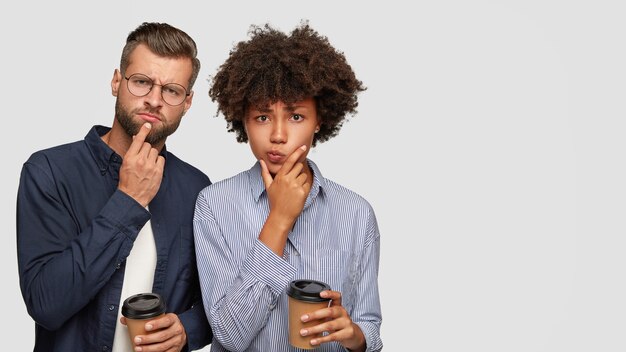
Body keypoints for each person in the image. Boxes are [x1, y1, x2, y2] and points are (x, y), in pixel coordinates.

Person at [17, 22, 212, 352]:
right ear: (116, 82)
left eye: (172, 90)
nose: (154, 100)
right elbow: (46, 305)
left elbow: (215, 304)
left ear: (187, 102)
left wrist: (186, 329)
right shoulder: (49, 171)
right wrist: (130, 199)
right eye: (141, 82)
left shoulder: (197, 188)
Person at [193, 22, 383, 352]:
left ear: (319, 119)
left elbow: (369, 323)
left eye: (295, 116)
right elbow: (230, 335)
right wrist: (279, 219)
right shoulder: (214, 205)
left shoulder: (356, 213)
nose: (278, 135)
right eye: (263, 117)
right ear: (243, 120)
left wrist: (352, 332)